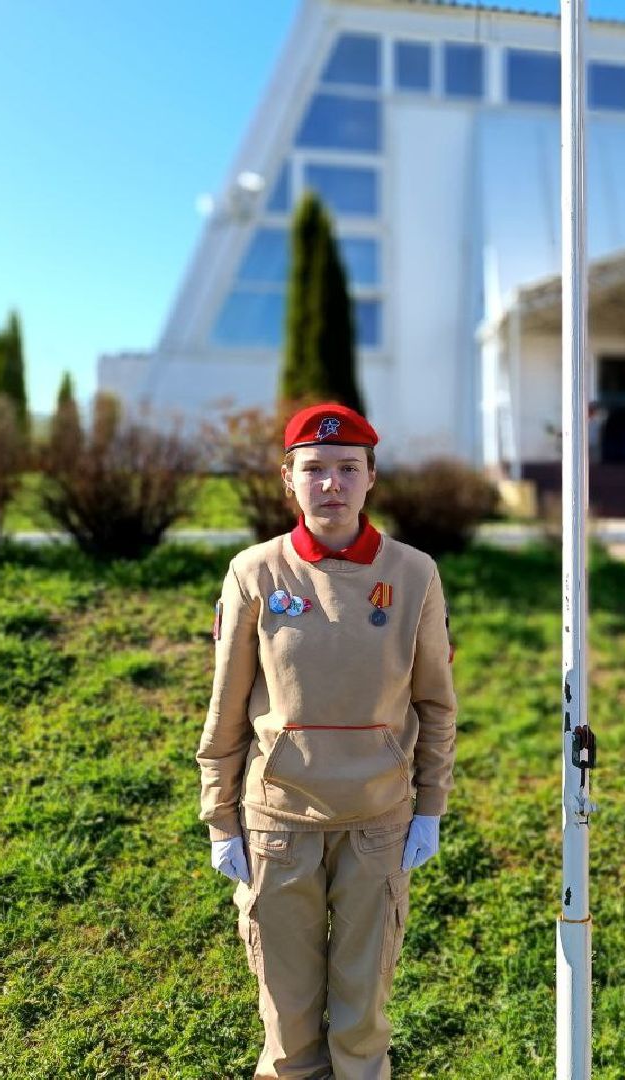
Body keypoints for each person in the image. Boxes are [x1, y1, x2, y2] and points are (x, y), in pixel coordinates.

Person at [196, 402, 457, 1080]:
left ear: (371, 478)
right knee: (286, 1023)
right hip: (278, 825)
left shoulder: (413, 574)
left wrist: (429, 806)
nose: (332, 485)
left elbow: (434, 702)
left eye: (348, 469)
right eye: (315, 470)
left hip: (377, 824)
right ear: (289, 479)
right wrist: (221, 817)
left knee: (362, 1016)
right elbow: (226, 708)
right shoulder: (255, 572)